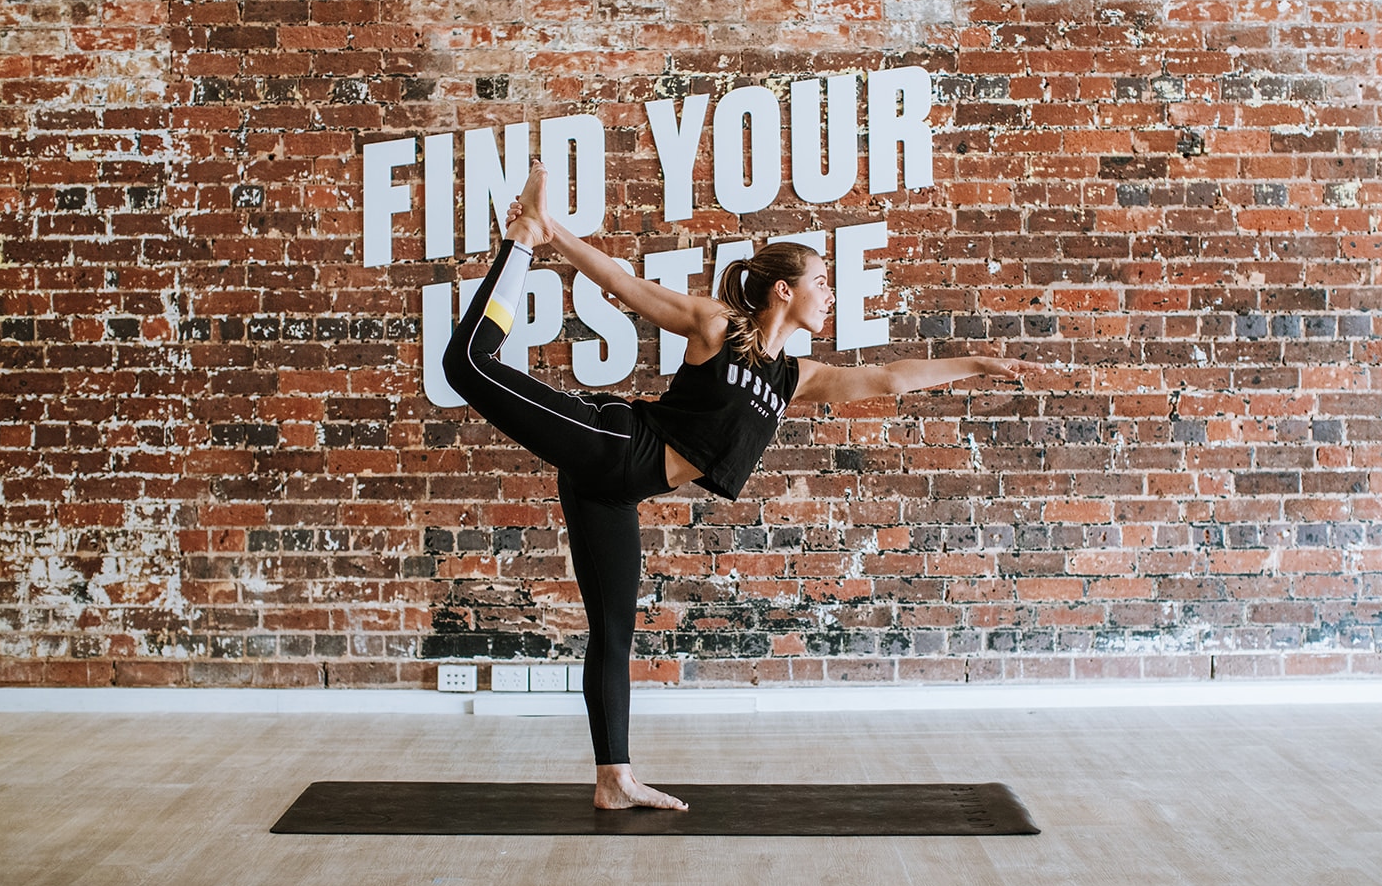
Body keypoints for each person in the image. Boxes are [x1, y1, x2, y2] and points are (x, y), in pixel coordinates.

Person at [442, 161, 1040, 811]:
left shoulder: (793, 377)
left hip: (617, 489)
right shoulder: (716, 328)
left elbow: (888, 377)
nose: (830, 293)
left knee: (614, 630)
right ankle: (521, 239)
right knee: (467, 363)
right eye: (821, 281)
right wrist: (549, 233)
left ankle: (614, 779)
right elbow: (621, 282)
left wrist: (975, 364)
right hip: (616, 442)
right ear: (783, 290)